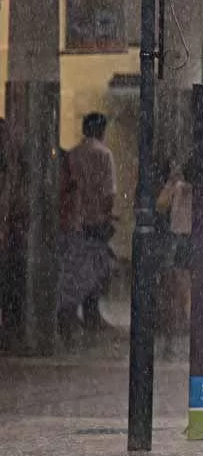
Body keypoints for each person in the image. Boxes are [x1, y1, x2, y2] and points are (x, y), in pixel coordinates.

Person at [58, 112, 118, 337]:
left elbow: (67, 186)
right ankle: (91, 313)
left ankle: (70, 313)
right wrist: (106, 215)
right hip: (96, 221)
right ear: (101, 130)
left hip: (75, 219)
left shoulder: (73, 155)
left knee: (74, 269)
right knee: (97, 267)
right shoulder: (104, 154)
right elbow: (109, 192)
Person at [154, 158, 193, 357]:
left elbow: (160, 205)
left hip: (182, 239)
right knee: (181, 287)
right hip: (183, 239)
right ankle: (182, 320)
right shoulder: (180, 188)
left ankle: (181, 321)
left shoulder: (179, 188)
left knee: (180, 287)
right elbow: (161, 205)